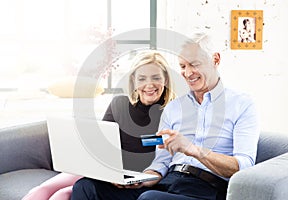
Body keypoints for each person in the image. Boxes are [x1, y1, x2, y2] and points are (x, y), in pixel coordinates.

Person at [71, 33, 260, 200]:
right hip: (167, 185)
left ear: (215, 60)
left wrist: (192, 149)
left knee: (150, 198)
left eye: (194, 64)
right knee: (87, 188)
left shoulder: (242, 104)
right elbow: (161, 162)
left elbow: (242, 167)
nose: (188, 73)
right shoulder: (175, 108)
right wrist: (143, 179)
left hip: (205, 190)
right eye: (183, 66)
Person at [22, 51, 175, 200]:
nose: (149, 84)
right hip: (102, 171)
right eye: (142, 78)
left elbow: (162, 158)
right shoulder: (119, 104)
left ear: (166, 80)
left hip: (132, 178)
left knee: (63, 195)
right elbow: (101, 143)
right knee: (42, 190)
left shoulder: (172, 114)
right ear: (133, 80)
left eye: (156, 78)